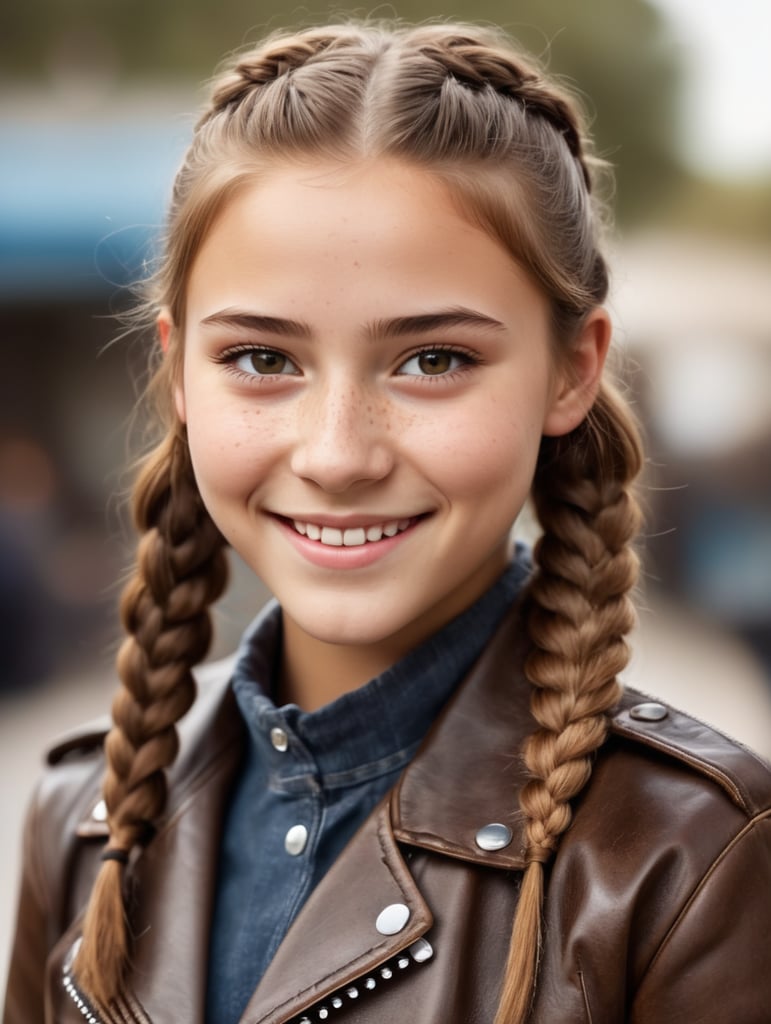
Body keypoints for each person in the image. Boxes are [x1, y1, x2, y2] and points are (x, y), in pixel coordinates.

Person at [4, 21, 771, 1024]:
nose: (337, 453)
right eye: (263, 359)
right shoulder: (83, 818)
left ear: (574, 367)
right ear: (179, 366)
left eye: (434, 359)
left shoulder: (690, 852)